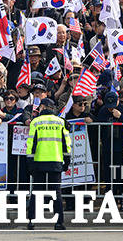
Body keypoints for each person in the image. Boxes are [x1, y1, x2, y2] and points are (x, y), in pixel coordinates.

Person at [25, 98, 72, 230]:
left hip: (39, 161)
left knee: (36, 193)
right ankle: (59, 223)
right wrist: (67, 161)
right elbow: (66, 144)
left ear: (44, 107)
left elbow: (31, 144)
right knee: (56, 193)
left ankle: (31, 221)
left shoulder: (36, 122)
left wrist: (30, 162)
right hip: (56, 161)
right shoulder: (60, 122)